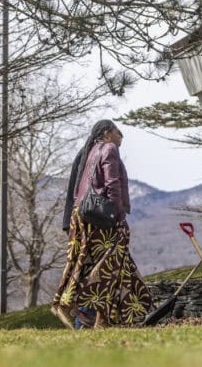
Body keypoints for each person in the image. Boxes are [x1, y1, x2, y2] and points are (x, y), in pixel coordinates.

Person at [52, 120, 151, 328]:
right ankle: (72, 303)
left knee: (97, 263)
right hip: (102, 217)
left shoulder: (88, 151)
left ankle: (100, 319)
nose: (121, 137)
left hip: (82, 216)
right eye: (118, 132)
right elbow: (111, 182)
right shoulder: (109, 148)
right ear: (107, 134)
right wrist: (115, 214)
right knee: (109, 263)